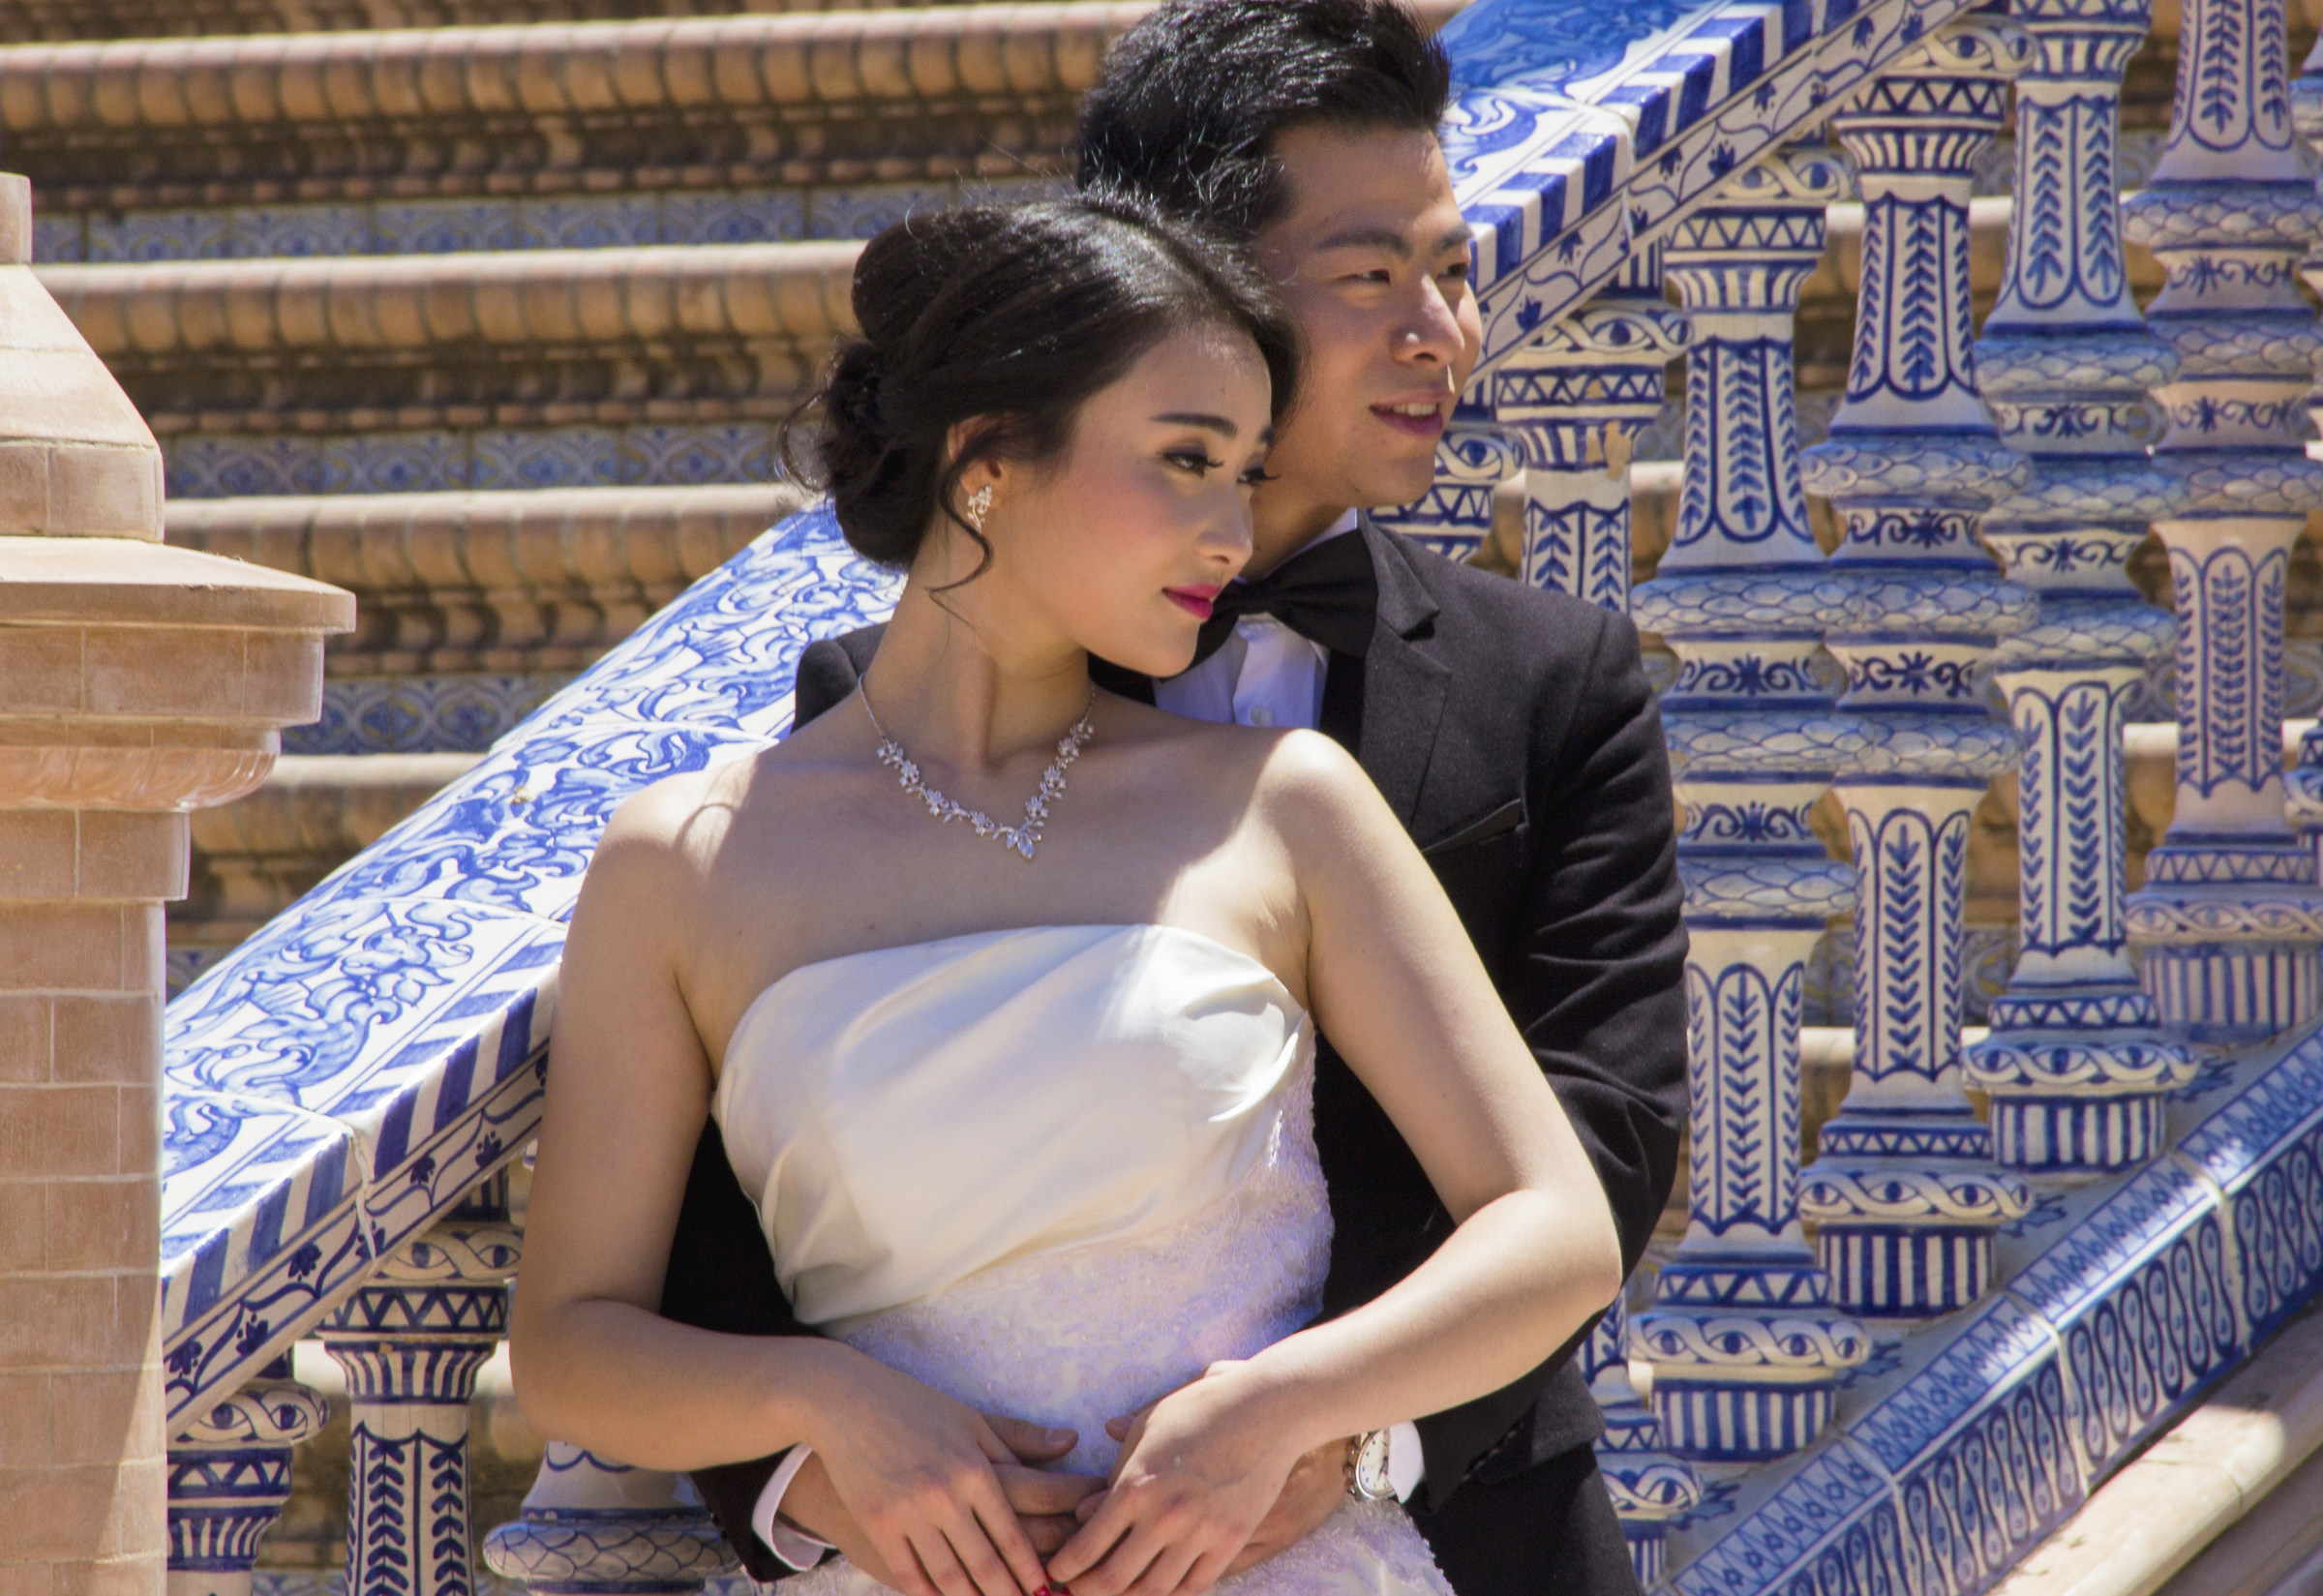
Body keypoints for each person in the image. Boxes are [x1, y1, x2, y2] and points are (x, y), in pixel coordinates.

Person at [659, 5, 1689, 1596]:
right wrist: (813, 1471)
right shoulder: (871, 708)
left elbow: (1601, 1137)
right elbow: (751, 1183)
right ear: (1188, 277)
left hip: (1458, 1532)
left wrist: (1331, 1443)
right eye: (1371, 279)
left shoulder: (1553, 677)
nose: (1443, 333)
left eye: (1456, 272)